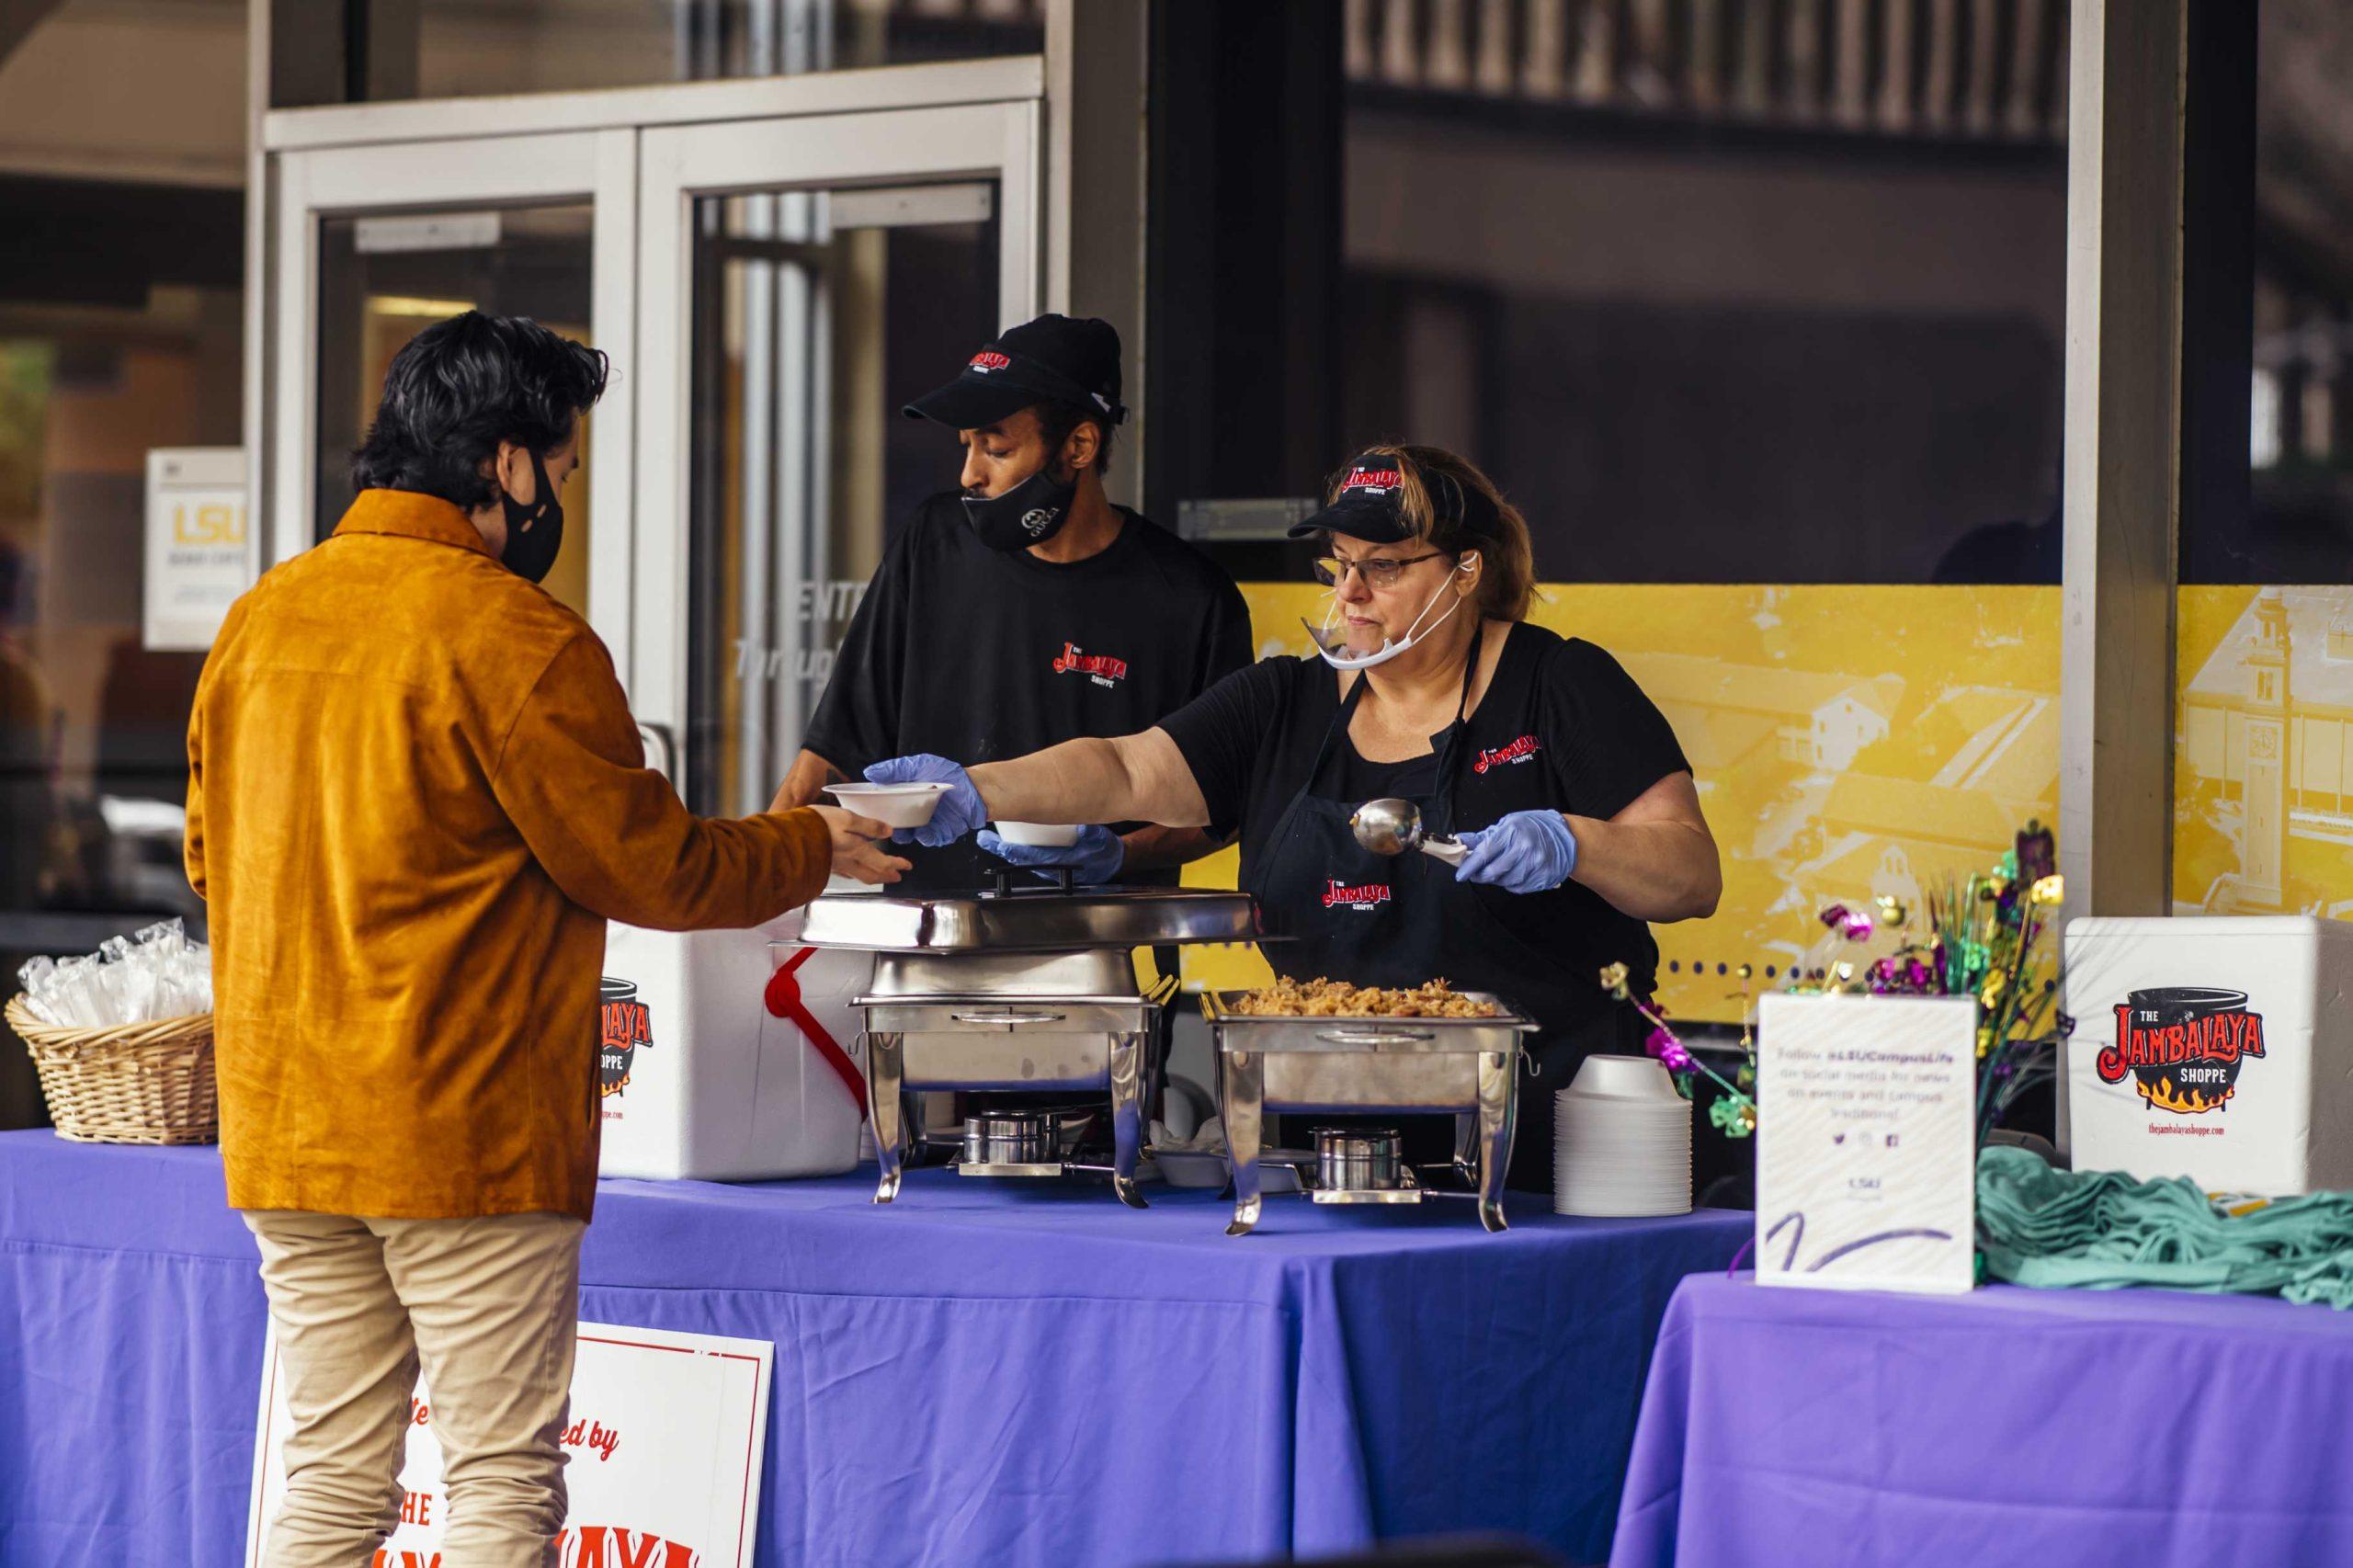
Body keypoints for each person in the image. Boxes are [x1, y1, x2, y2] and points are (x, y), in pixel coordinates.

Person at [185, 312, 904, 1568]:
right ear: (508, 466)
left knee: (332, 1478)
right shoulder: (514, 636)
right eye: (563, 470)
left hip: (288, 1131)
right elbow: (651, 866)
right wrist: (816, 844)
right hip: (462, 1136)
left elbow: (210, 863)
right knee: (498, 1491)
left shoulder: (259, 622)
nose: (562, 496)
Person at [865, 443, 1720, 1190]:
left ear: (1466, 571)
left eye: (1382, 567)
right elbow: (1125, 766)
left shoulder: (1560, 685)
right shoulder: (1285, 702)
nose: (1349, 593)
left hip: (1555, 1144)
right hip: (1330, 1151)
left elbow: (1689, 873)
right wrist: (976, 790)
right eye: (1338, 564)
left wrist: (1576, 842)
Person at [771, 312, 1251, 892]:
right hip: (935, 943)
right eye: (966, 446)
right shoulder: (933, 543)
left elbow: (1224, 803)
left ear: (1078, 445)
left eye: (994, 449)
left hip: (1106, 954)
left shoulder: (1191, 597)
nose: (969, 474)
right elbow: (830, 752)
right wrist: (764, 875)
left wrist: (1116, 856)